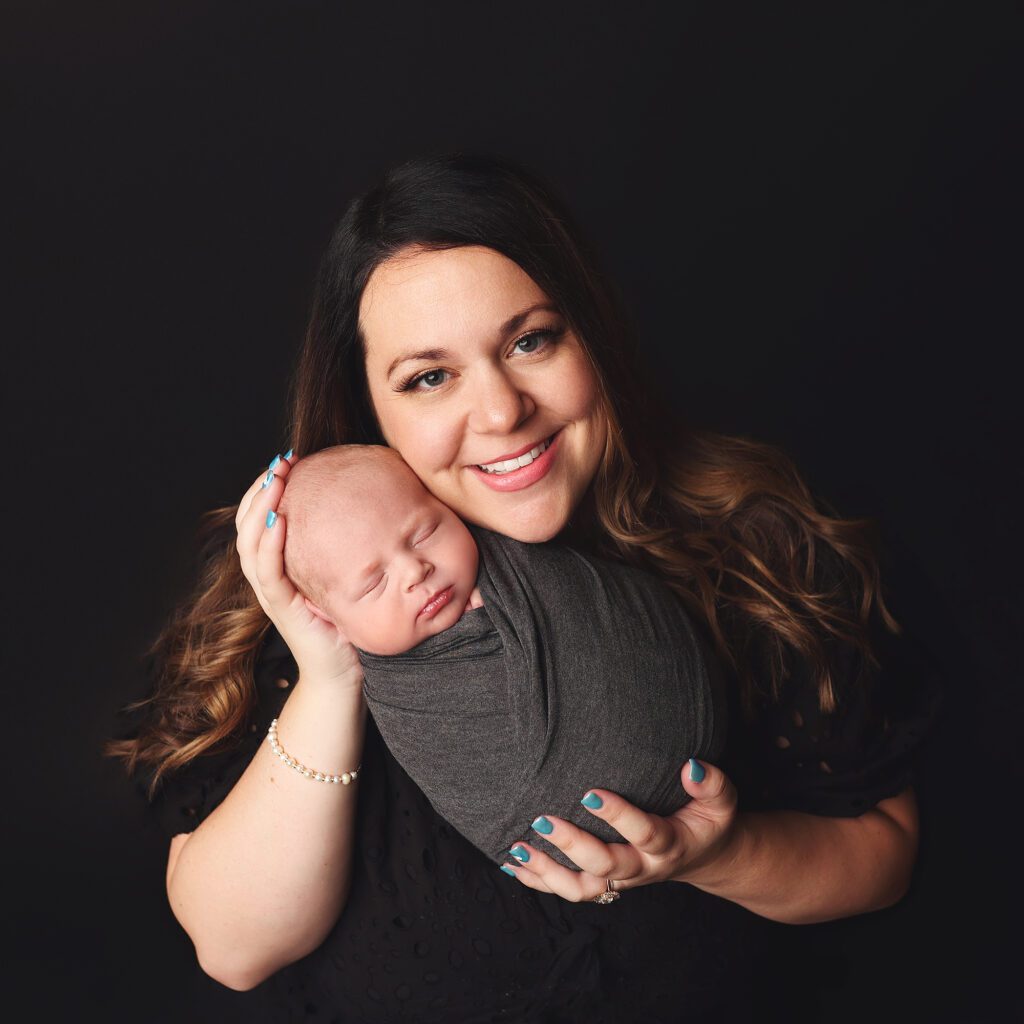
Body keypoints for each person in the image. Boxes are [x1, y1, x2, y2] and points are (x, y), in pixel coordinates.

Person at [107, 152, 942, 1022]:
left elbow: (885, 858)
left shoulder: (756, 549)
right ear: (367, 411)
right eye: (430, 377)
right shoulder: (293, 597)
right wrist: (332, 668)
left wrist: (719, 855)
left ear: (594, 335)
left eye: (530, 340)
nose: (503, 411)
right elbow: (237, 950)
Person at [272, 442, 727, 870]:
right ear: (324, 614)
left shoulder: (510, 547)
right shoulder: (399, 689)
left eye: (426, 532)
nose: (415, 570)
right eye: (373, 583)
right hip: (566, 838)